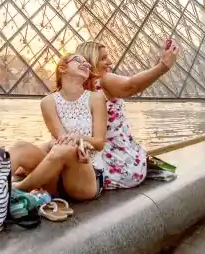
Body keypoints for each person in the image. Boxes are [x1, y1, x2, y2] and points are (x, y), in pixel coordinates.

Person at [0, 52, 108, 235]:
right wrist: (67, 142)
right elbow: (60, 138)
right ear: (62, 68)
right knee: (20, 147)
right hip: (56, 176)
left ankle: (10, 194)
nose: (86, 64)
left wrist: (81, 139)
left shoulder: (95, 98)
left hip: (87, 176)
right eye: (78, 60)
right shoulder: (48, 102)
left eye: (87, 63)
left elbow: (99, 142)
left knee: (65, 148)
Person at [75, 39, 180, 191]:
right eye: (103, 58)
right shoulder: (104, 80)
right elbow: (131, 85)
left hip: (95, 162)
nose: (110, 62)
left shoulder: (77, 89)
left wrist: (158, 65)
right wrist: (163, 66)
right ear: (91, 61)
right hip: (122, 164)